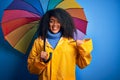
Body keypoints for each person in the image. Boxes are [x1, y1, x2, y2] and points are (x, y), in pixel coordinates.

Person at [27, 8, 93, 80]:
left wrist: (82, 47)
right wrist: (40, 60)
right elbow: (32, 69)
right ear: (47, 23)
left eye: (58, 22)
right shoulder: (39, 42)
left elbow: (83, 64)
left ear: (63, 23)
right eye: (51, 21)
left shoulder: (70, 42)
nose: (55, 25)